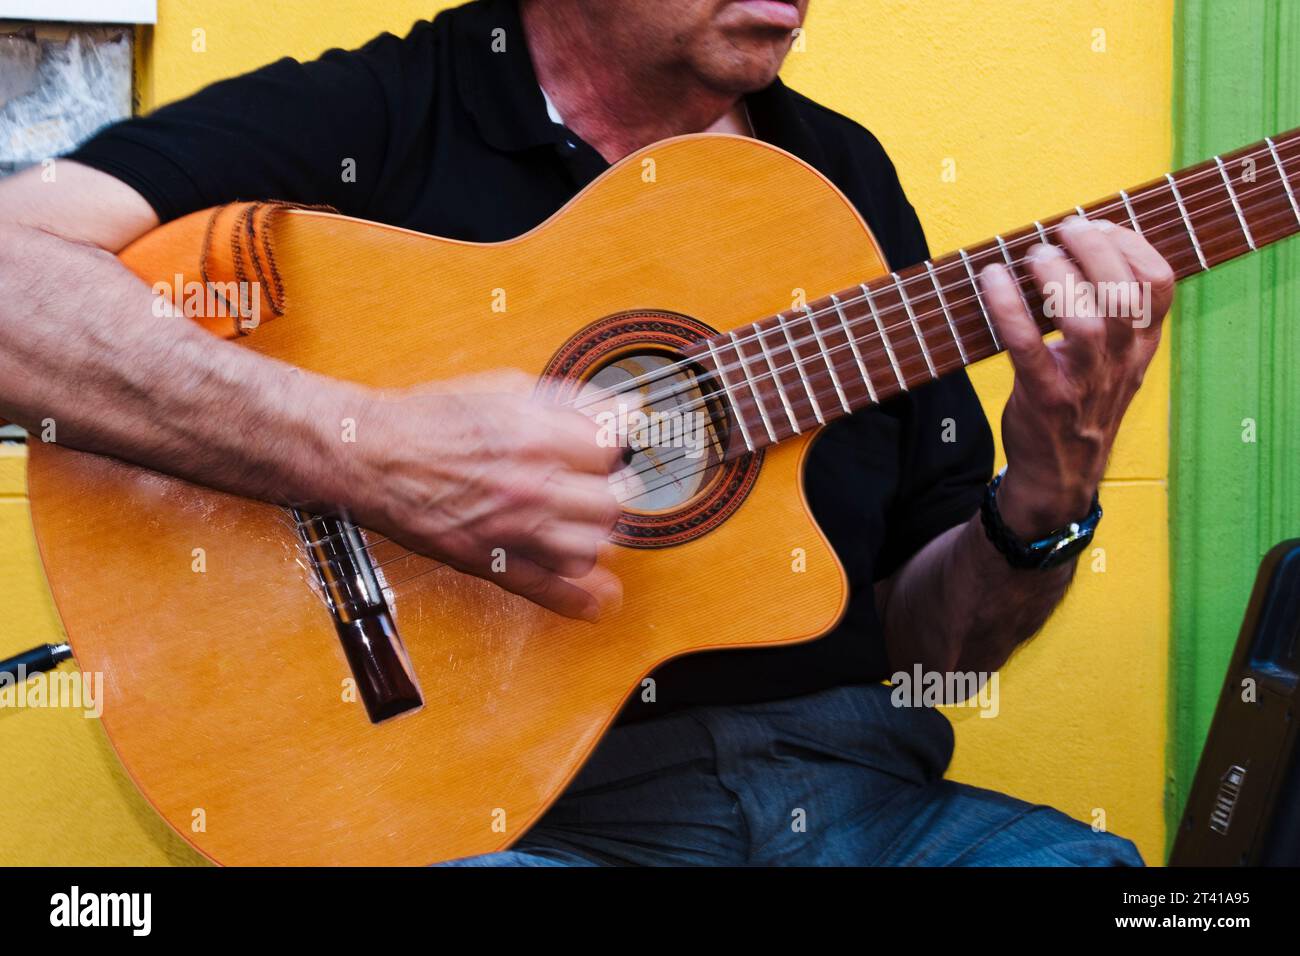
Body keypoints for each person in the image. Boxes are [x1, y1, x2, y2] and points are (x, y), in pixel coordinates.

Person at [0, 0, 1171, 865]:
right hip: (523, 822)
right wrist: (365, 449)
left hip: (861, 797)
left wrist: (1048, 493)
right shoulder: (391, 111)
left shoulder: (837, 179)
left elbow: (940, 653)